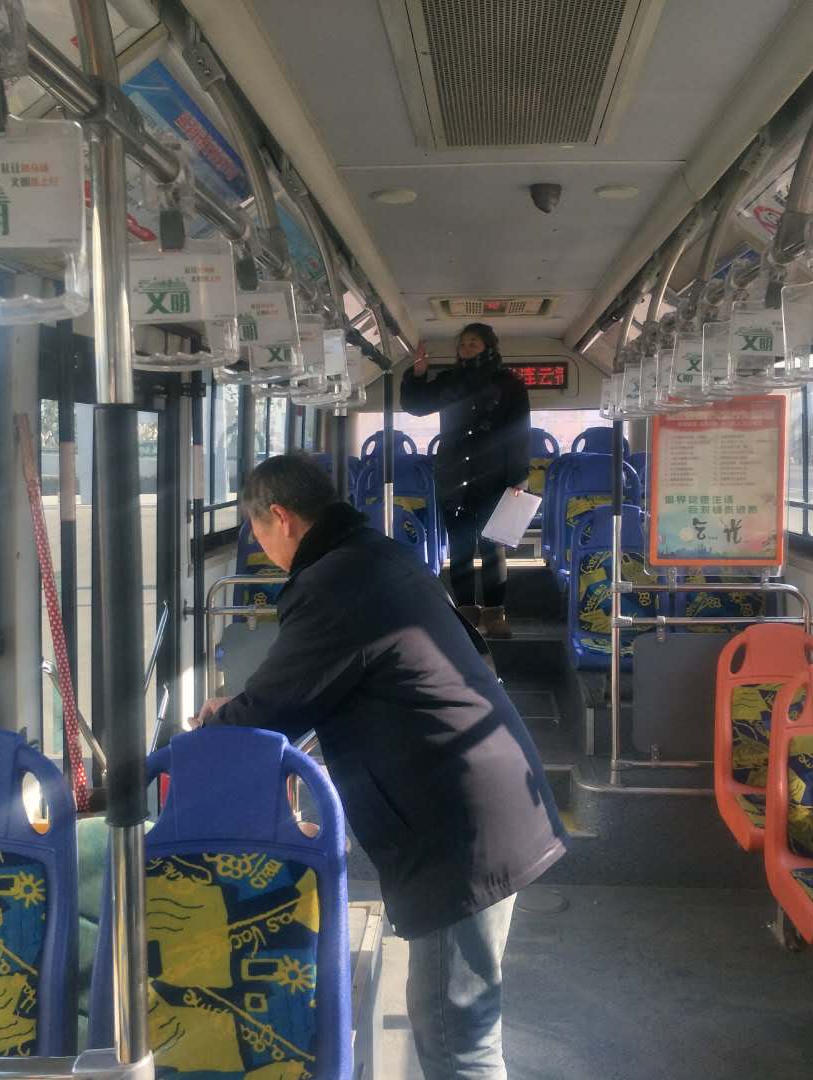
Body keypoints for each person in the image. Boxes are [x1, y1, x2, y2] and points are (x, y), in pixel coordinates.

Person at [196, 453, 566, 1080]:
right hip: (479, 802)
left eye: (255, 530)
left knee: (457, 1036)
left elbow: (279, 705)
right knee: (454, 1022)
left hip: (459, 829)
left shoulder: (333, 585)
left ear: (280, 517)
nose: (259, 547)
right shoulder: (372, 554)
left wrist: (213, 726)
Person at [401, 322, 531, 639]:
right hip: (455, 475)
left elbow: (519, 432)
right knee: (460, 550)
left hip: (494, 475)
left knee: (492, 548)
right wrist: (417, 375)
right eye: (462, 344)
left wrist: (518, 476)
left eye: (473, 343)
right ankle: (467, 612)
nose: (466, 348)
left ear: (488, 347)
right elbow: (416, 405)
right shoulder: (450, 380)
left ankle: (495, 613)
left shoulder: (509, 384)